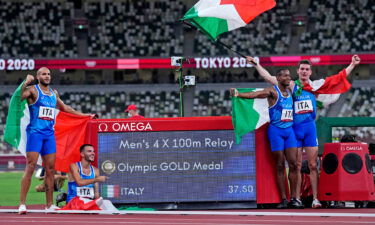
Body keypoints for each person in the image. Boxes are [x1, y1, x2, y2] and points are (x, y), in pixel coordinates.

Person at [247, 55, 361, 208]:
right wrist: (256, 64)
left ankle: (315, 198)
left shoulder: (316, 88)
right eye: (302, 69)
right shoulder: (291, 86)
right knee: (297, 165)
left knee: (313, 165)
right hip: (295, 130)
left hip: (310, 130)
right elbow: (269, 77)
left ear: (310, 72)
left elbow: (337, 78)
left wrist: (352, 65)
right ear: (298, 71)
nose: (304, 72)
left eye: (307, 69)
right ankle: (297, 198)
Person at [19, 67, 93, 214]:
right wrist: (24, 83)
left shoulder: (54, 93)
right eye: (43, 74)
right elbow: (19, 97)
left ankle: (49, 204)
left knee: (51, 170)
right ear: (38, 76)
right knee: (31, 166)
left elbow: (66, 108)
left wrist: (85, 115)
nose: (47, 76)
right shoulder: (33, 90)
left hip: (49, 136)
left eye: (48, 74)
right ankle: (22, 204)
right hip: (35, 134)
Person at [230, 69, 301, 208]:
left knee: (293, 164)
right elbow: (255, 94)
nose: (288, 77)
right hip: (276, 132)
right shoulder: (272, 92)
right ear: (278, 78)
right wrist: (239, 94)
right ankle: (283, 199)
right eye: (285, 75)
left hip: (289, 131)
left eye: (289, 75)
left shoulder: (292, 92)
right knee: (280, 165)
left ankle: (295, 199)